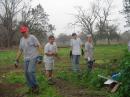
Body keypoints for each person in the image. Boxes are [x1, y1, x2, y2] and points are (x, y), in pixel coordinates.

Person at [14, 24, 43, 94]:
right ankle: (31, 87)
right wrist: (16, 60)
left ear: (27, 30)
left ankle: (36, 86)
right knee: (26, 73)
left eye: (24, 32)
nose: (23, 33)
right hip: (26, 58)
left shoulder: (32, 37)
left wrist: (40, 56)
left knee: (30, 71)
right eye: (22, 32)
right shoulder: (21, 40)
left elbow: (39, 46)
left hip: (33, 57)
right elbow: (20, 50)